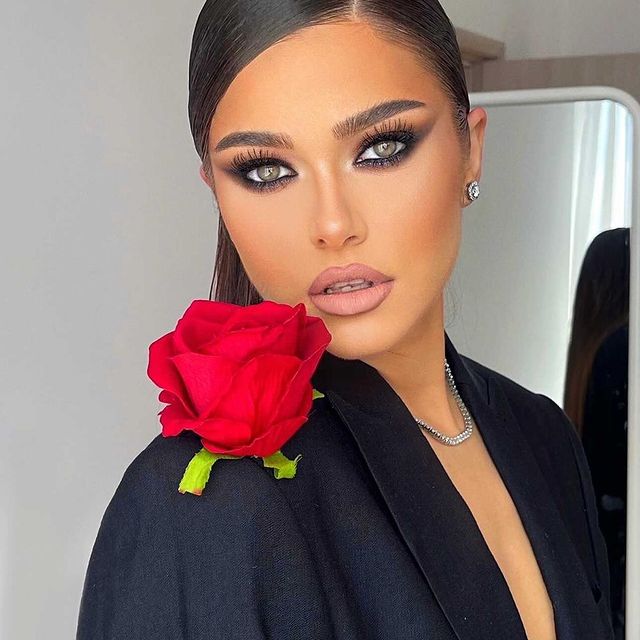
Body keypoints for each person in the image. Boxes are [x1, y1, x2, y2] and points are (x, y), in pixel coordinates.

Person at [75, 1, 615, 639]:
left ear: (471, 149)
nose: (332, 224)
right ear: (216, 191)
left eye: (381, 149)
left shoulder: (544, 437)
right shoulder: (202, 503)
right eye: (267, 171)